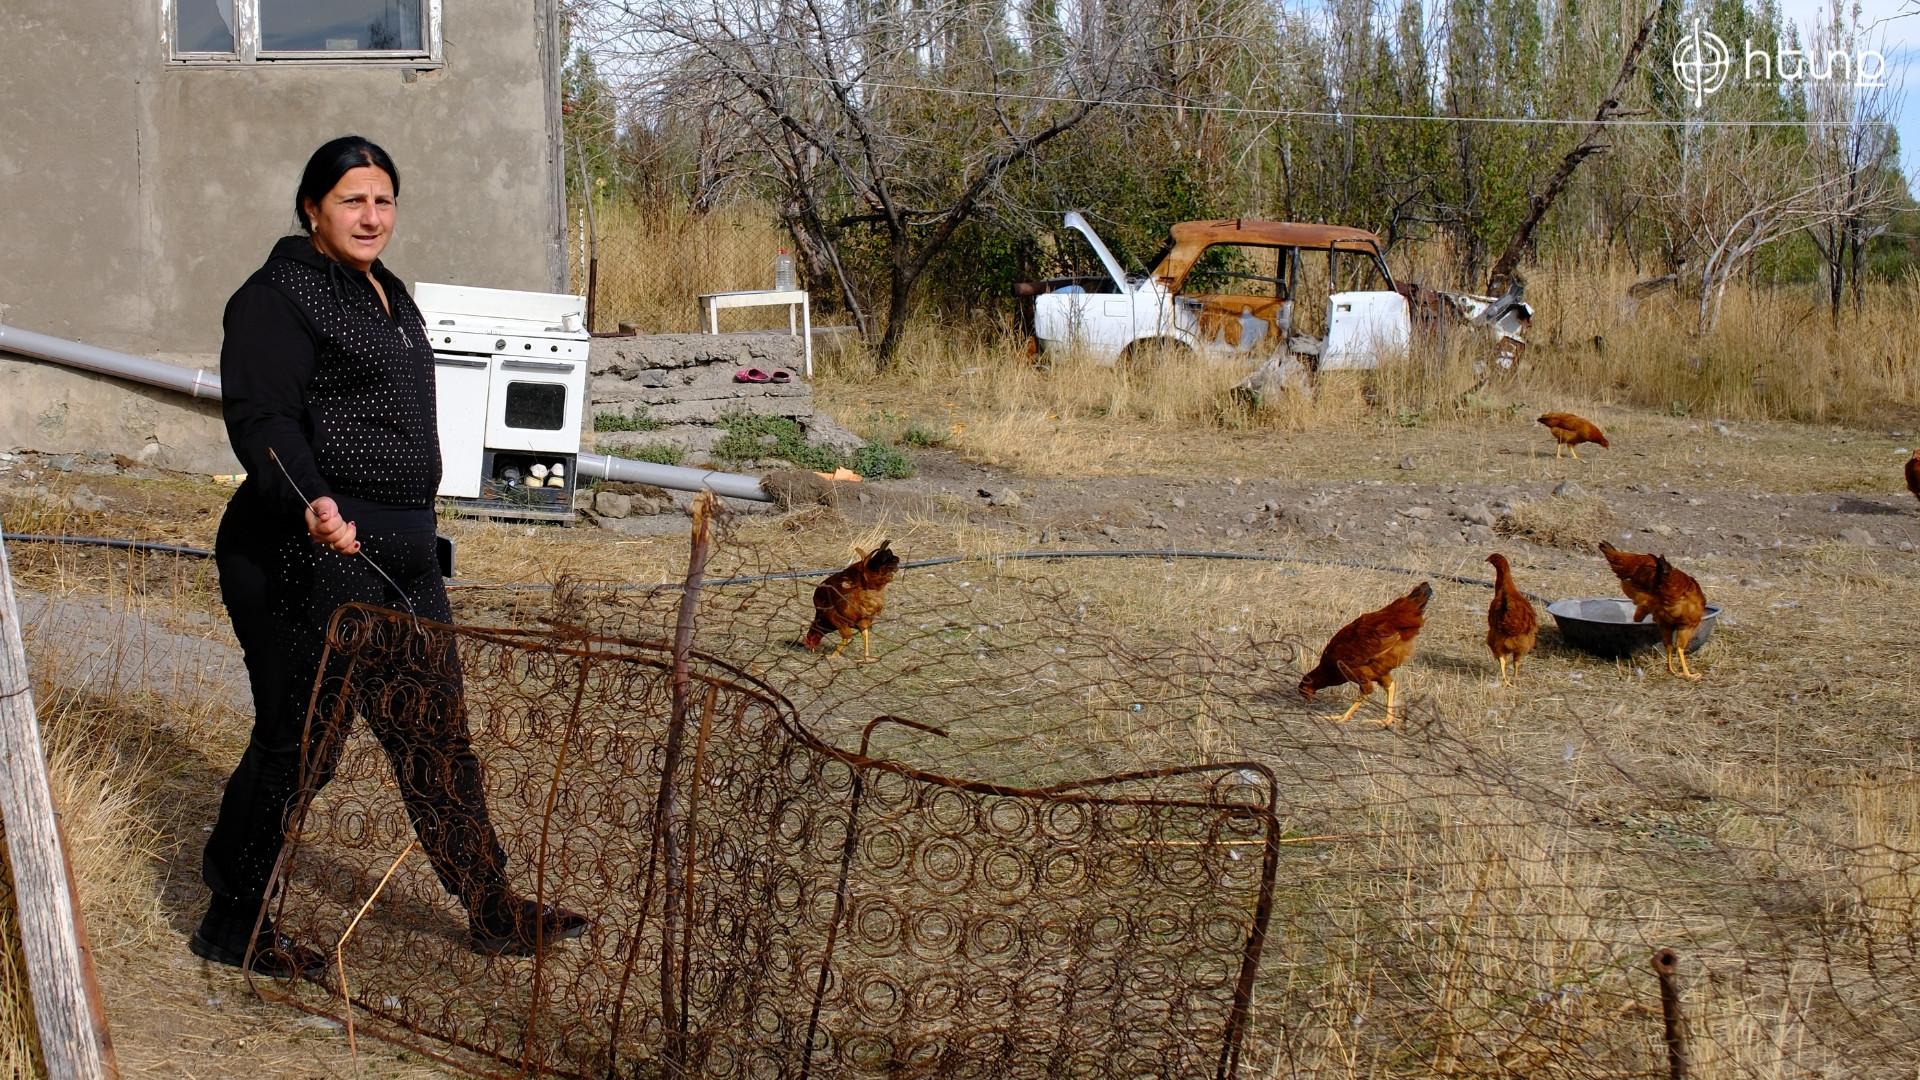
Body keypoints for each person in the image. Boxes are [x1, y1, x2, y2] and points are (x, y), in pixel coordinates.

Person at [195, 135, 588, 977]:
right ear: (312, 208)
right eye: (352, 201)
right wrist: (313, 502)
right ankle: (234, 922)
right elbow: (262, 420)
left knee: (436, 731)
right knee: (301, 743)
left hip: (403, 553)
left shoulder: (388, 295)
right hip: (308, 549)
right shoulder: (276, 297)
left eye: (383, 200)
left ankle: (490, 906)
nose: (372, 216)